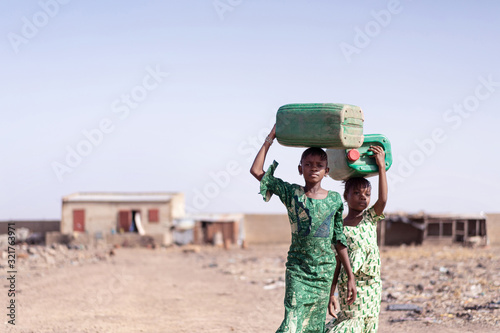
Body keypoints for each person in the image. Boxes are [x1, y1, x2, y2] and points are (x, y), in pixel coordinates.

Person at [250, 124, 357, 333]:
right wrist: (270, 139)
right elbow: (256, 171)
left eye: (319, 165)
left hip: (323, 274)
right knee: (291, 324)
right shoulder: (291, 193)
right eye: (308, 164)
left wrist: (350, 275)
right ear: (300, 169)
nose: (314, 168)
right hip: (298, 271)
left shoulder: (335, 200)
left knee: (313, 328)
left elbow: (339, 240)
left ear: (327, 171)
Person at [326, 145, 388, 333]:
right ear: (345, 196)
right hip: (350, 284)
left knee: (367, 324)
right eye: (357, 193)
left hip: (372, 284)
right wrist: (332, 292)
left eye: (367, 194)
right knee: (351, 323)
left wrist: (381, 167)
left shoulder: (370, 217)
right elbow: (337, 261)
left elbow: (383, 199)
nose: (363, 197)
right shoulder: (339, 226)